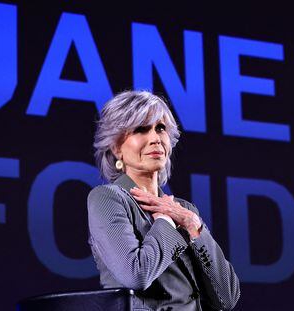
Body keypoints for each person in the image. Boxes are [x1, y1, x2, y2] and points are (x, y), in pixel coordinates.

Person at [87, 90, 240, 310]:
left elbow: (227, 297)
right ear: (116, 147)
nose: (155, 138)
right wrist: (166, 223)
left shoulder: (184, 210)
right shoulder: (108, 198)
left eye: (160, 128)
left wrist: (194, 225)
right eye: (141, 129)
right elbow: (136, 275)